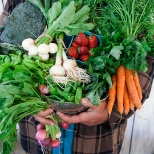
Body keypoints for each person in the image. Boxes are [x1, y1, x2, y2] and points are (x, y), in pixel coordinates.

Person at [0, 0, 154, 154]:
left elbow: (145, 59)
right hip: (35, 134)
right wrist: (27, 98)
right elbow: (4, 42)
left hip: (94, 139)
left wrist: (111, 112)